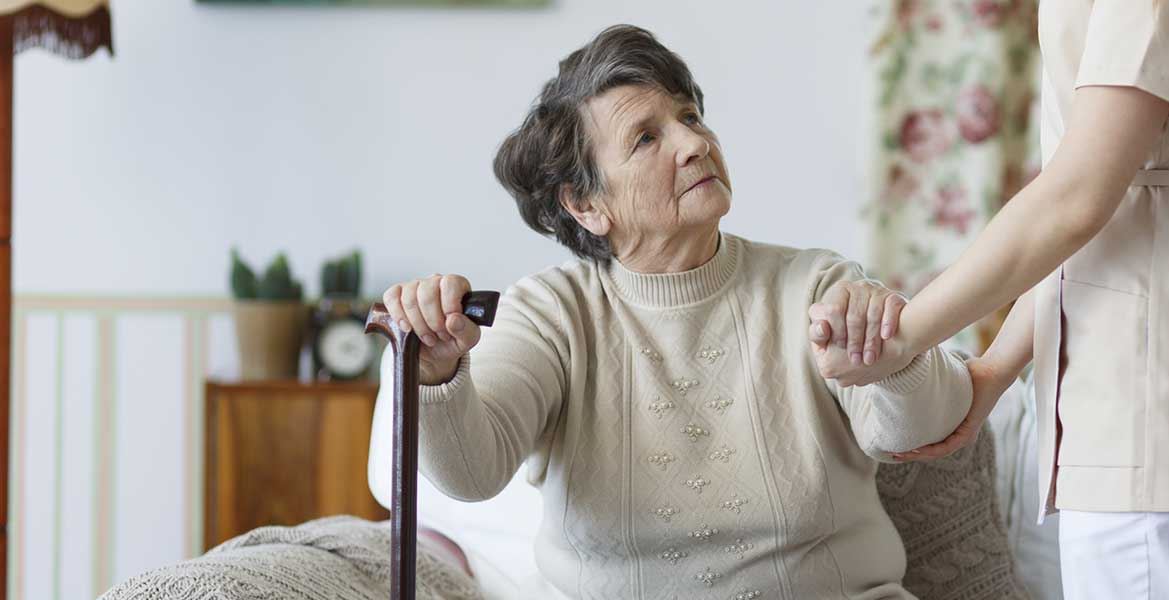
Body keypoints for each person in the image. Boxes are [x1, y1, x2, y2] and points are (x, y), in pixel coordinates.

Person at [379, 25, 971, 599]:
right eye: (646, 138)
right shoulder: (552, 314)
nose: (695, 144)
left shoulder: (814, 285)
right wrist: (434, 374)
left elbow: (917, 431)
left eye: (689, 117)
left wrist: (892, 353)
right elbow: (471, 475)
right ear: (586, 204)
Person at [812, 0, 1169, 597]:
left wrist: (900, 336)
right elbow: (1127, 198)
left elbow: (1079, 200)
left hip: (1159, 415)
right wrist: (994, 370)